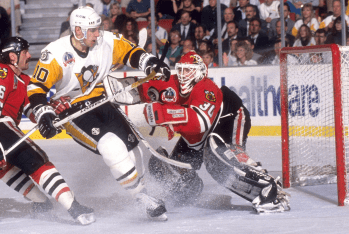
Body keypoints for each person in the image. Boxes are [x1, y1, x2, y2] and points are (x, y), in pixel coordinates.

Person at [27, 6, 171, 221]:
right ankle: (141, 197)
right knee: (110, 146)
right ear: (78, 31)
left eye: (98, 29)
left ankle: (142, 192)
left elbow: (130, 51)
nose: (98, 34)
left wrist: (150, 63)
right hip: (73, 110)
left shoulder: (105, 40)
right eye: (92, 30)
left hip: (102, 100)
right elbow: (36, 87)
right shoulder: (55, 53)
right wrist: (43, 112)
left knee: (133, 149)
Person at [0, 37, 95, 225]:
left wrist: (50, 114)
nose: (29, 56)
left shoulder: (23, 80)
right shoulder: (0, 71)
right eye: (25, 52)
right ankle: (73, 206)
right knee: (37, 161)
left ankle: (41, 203)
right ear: (13, 56)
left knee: (5, 167)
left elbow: (34, 110)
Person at [140, 51, 291, 213]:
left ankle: (269, 188)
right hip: (197, 135)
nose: (183, 75)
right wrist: (122, 92)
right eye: (181, 70)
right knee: (165, 166)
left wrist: (164, 114)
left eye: (188, 70)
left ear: (200, 73)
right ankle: (190, 188)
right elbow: (143, 89)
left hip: (227, 118)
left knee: (221, 154)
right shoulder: (172, 84)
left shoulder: (206, 87)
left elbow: (200, 122)